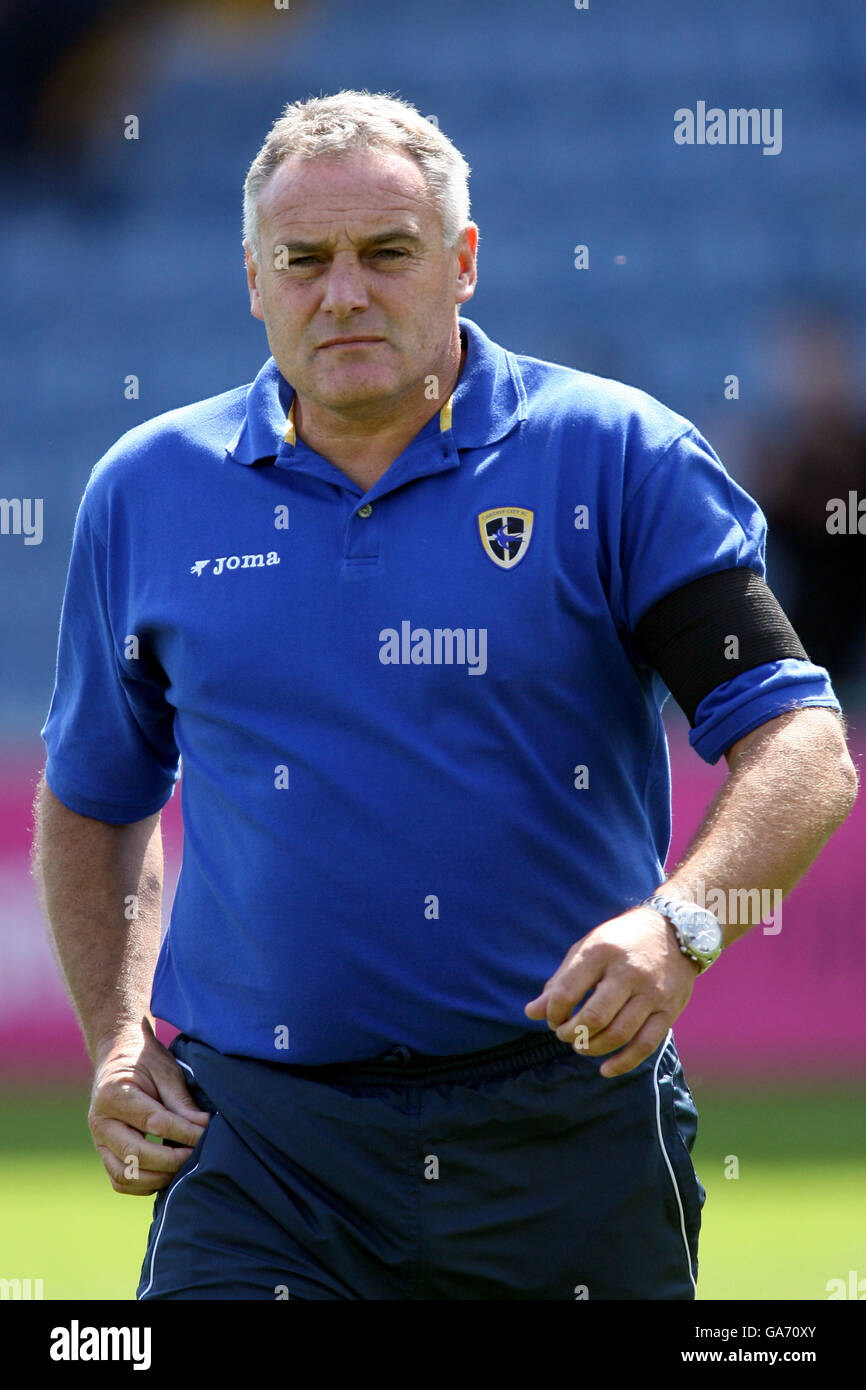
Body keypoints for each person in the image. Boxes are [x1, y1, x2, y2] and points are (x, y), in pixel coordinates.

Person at [33, 89, 857, 1301]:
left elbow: (800, 748)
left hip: (563, 1126)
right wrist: (116, 1039)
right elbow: (96, 797)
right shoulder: (147, 489)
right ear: (252, 278)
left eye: (387, 253)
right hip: (261, 1145)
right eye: (303, 261)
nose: (344, 292)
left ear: (461, 261)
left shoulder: (615, 458)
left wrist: (680, 926)